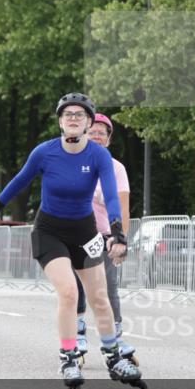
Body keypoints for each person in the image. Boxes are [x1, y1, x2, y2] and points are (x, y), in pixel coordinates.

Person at [0, 93, 145, 389]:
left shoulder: (98, 156)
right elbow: (20, 180)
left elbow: (111, 195)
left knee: (100, 298)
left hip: (85, 232)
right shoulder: (45, 152)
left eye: (79, 115)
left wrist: (117, 233)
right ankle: (69, 357)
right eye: (67, 114)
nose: (72, 118)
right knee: (69, 292)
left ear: (88, 123)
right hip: (50, 231)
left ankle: (113, 357)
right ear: (60, 121)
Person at [73, 113, 136, 363]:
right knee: (76, 286)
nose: (97, 136)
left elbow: (123, 207)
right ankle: (77, 334)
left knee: (108, 288)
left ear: (108, 140)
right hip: (76, 233)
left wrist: (121, 240)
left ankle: (115, 336)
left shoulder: (116, 168)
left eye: (102, 133)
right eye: (93, 132)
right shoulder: (72, 162)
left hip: (105, 235)